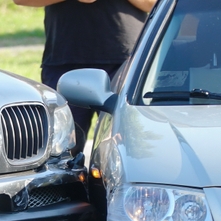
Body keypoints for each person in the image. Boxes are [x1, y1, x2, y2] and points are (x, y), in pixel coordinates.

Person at [13, 0, 154, 154]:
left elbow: (155, 3)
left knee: (132, 149)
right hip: (65, 62)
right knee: (60, 152)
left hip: (125, 61)